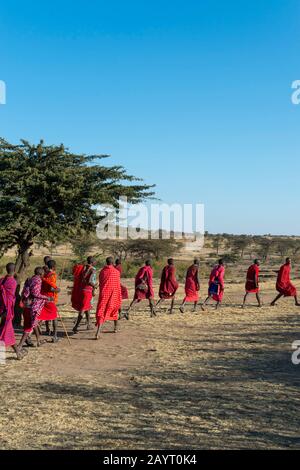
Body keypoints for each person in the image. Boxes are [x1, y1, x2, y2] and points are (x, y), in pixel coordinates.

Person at [18, 267, 53, 350]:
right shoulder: (37, 280)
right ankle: (20, 345)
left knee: (34, 324)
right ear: (41, 274)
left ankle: (38, 341)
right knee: (30, 326)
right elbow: (35, 293)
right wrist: (47, 298)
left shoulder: (30, 279)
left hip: (27, 305)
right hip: (33, 306)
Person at [0, 263, 26, 360]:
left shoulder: (1, 280)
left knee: (6, 331)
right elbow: (11, 297)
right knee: (7, 332)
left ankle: (18, 353)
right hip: (7, 310)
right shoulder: (13, 282)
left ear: (6, 269)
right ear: (14, 270)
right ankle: (18, 353)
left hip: (1, 309)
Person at [95, 257, 122, 339]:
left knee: (101, 311)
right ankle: (115, 328)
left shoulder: (102, 272)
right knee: (114, 309)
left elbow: (101, 282)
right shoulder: (116, 272)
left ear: (106, 262)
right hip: (114, 294)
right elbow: (117, 285)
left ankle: (97, 333)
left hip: (104, 294)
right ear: (113, 263)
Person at [72, 256, 97, 334]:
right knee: (83, 309)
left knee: (87, 307)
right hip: (87, 290)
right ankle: (76, 327)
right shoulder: (92, 269)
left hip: (82, 289)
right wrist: (94, 286)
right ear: (93, 262)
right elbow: (89, 281)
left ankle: (88, 324)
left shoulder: (83, 268)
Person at [39, 260, 60, 342]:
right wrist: (57, 290)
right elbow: (51, 288)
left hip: (43, 297)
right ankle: (55, 336)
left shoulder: (45, 274)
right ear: (54, 267)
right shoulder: (52, 275)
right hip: (50, 298)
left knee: (41, 316)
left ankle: (30, 334)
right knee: (54, 317)